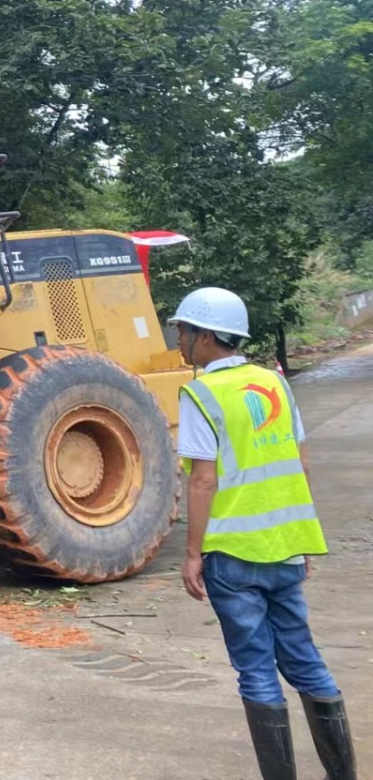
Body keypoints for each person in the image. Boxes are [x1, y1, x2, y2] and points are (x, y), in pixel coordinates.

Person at [172, 286, 356, 780]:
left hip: (232, 553)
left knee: (256, 669)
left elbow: (203, 479)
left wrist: (192, 554)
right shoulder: (275, 383)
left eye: (184, 331)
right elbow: (299, 461)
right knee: (305, 658)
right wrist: (300, 535)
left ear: (206, 335)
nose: (180, 340)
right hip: (283, 548)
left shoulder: (201, 394)